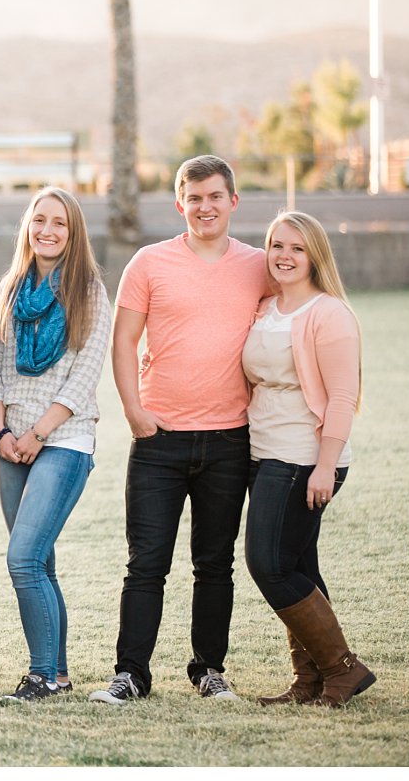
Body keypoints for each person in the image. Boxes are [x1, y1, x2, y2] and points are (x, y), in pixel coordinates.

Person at [90, 155, 269, 705]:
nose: (205, 206)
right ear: (180, 204)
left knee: (214, 565)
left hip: (230, 439)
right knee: (146, 563)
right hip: (159, 439)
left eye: (215, 196)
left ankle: (209, 669)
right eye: (194, 198)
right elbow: (123, 342)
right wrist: (134, 410)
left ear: (233, 201)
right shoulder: (149, 262)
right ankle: (131, 674)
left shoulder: (261, 265)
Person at [0, 189, 111, 704]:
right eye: (39, 220)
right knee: (41, 562)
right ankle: (57, 674)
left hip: (63, 441)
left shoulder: (89, 291)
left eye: (59, 222)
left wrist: (38, 434)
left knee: (23, 559)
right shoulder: (13, 288)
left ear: (72, 231)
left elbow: (83, 379)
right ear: (28, 227)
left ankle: (39, 674)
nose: (48, 230)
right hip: (10, 442)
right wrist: (2, 434)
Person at [243, 211, 372, 708]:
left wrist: (325, 463)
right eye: (277, 245)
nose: (285, 256)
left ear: (315, 254)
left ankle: (343, 669)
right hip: (263, 452)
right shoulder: (264, 308)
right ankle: (310, 681)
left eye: (297, 248)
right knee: (299, 564)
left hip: (304, 457)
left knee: (269, 564)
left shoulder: (329, 313)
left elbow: (343, 396)